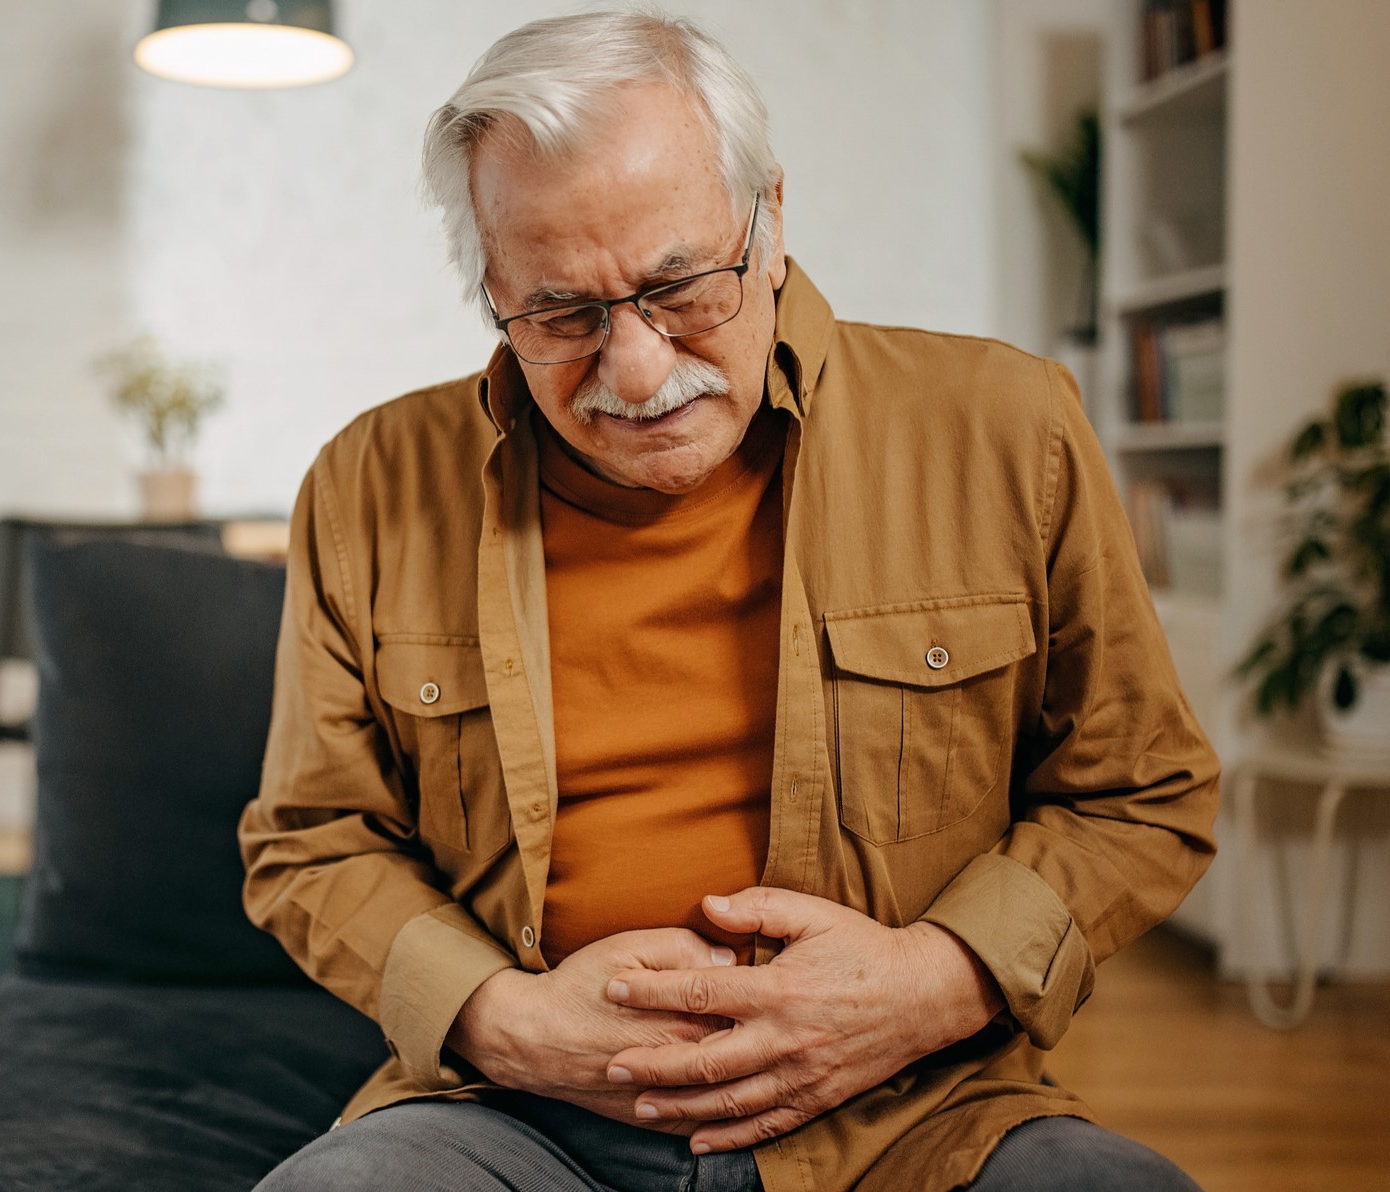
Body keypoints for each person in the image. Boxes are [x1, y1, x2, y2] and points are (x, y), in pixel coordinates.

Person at [238, 10, 1218, 1192]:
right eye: (561, 314)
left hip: (917, 1110)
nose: (637, 372)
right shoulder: (367, 485)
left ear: (769, 222)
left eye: (679, 286)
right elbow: (309, 842)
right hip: (512, 1113)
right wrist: (502, 1018)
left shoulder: (1010, 430)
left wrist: (934, 980)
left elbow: (1142, 791)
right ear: (490, 290)